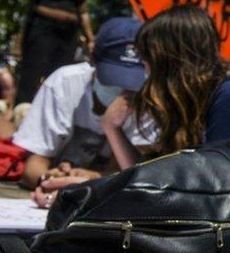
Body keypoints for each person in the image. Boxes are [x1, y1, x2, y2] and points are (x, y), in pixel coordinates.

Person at [104, 5, 230, 171]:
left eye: (147, 59)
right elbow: (148, 183)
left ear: (170, 62)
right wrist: (112, 127)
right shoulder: (189, 103)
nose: (144, 68)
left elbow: (216, 189)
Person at [13, 18, 150, 195]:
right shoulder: (63, 84)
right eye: (113, 78)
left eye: (131, 83)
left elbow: (132, 172)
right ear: (93, 58)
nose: (122, 89)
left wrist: (95, 180)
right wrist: (51, 180)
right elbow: (33, 167)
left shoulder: (147, 96)